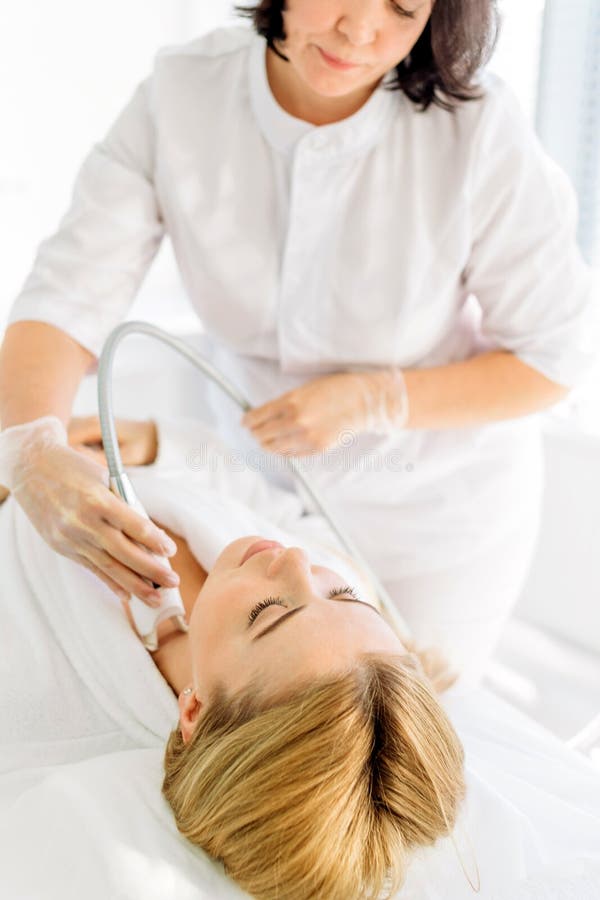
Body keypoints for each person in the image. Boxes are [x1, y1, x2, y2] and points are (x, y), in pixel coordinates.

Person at [1, 0, 598, 687]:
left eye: (404, 9)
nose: (362, 31)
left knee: (382, 721)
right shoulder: (182, 95)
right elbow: (65, 296)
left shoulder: (476, 128)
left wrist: (381, 399)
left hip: (432, 516)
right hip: (254, 489)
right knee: (229, 698)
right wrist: (32, 448)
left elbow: (557, 358)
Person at [1, 412, 468, 900]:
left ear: (195, 711)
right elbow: (264, 502)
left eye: (267, 612)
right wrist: (162, 446)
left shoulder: (39, 692)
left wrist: (22, 462)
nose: (295, 561)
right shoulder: (337, 582)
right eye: (342, 595)